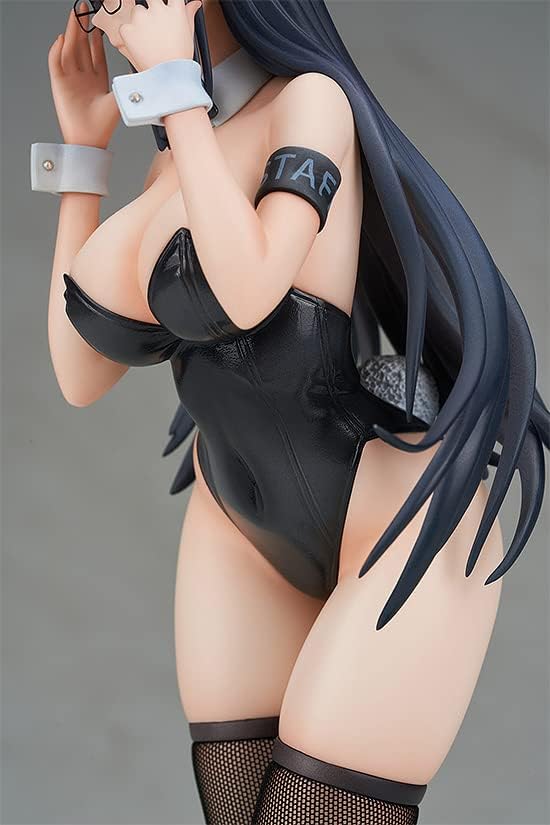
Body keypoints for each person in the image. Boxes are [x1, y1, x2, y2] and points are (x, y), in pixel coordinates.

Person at [32, 0, 548, 822]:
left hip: (390, 515)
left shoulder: (312, 104)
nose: (104, 18)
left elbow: (248, 290)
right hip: (236, 525)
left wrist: (175, 92)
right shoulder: (172, 163)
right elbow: (79, 373)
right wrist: (83, 150)